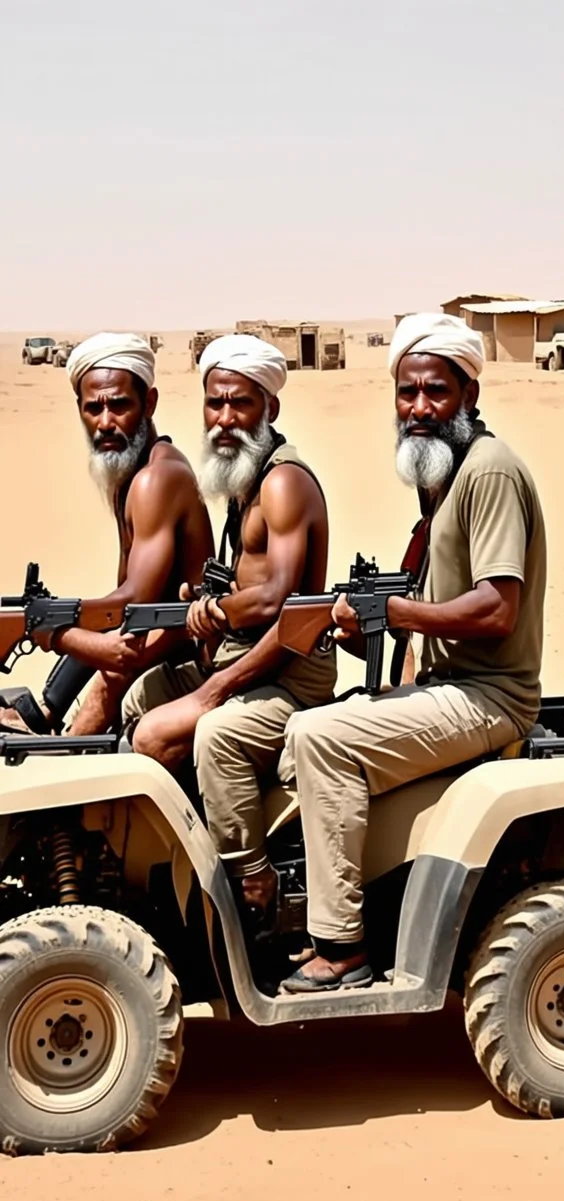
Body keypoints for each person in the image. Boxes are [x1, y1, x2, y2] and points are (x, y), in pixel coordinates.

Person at [277, 311, 564, 993]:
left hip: (490, 699)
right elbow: (434, 606)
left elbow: (495, 607)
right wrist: (372, 628)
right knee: (300, 729)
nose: (418, 409)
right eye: (407, 393)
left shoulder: (490, 472)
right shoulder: (441, 476)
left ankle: (342, 946)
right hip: (448, 688)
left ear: (469, 396)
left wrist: (393, 611)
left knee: (319, 738)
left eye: (436, 393)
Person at [122, 333, 337, 916]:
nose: (224, 419)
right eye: (214, 404)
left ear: (270, 407)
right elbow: (244, 589)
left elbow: (278, 600)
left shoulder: (283, 482)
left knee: (203, 735)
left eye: (239, 404)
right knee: (140, 699)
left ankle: (252, 876)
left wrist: (218, 645)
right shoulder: (243, 481)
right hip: (243, 653)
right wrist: (205, 605)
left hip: (289, 668)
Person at [0, 332, 215, 736]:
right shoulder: (127, 471)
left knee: (105, 679)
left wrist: (47, 629)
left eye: (119, 405)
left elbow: (130, 604)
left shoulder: (157, 478)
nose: (105, 422)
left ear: (149, 403)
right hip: (145, 644)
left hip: (182, 657)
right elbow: (116, 607)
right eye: (92, 408)